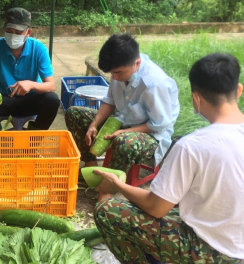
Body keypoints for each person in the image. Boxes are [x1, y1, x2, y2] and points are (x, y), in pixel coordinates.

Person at [93, 53, 244, 263]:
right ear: (238, 90)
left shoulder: (192, 146)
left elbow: (156, 208)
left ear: (196, 98)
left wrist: (118, 185)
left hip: (210, 251)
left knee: (106, 210)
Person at [65, 33, 179, 174]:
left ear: (137, 63)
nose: (114, 78)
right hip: (121, 121)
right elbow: (110, 101)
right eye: (112, 73)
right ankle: (90, 165)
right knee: (74, 113)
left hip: (152, 134)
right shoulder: (119, 69)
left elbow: (159, 124)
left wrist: (124, 131)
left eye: (118, 73)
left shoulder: (154, 84)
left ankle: (108, 188)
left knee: (123, 141)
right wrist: (94, 124)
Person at [0, 7, 60, 131]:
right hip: (3, 100)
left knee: (52, 99)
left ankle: (33, 138)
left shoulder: (39, 49)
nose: (13, 35)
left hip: (30, 100)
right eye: (9, 30)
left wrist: (31, 84)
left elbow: (51, 86)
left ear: (28, 32)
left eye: (18, 32)